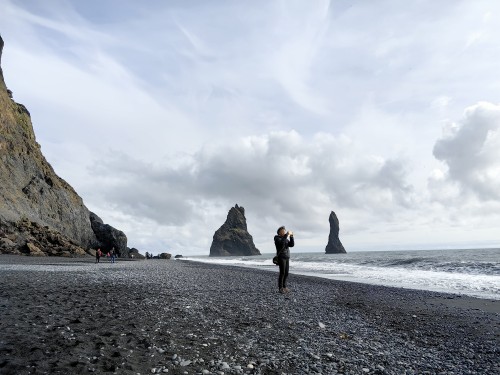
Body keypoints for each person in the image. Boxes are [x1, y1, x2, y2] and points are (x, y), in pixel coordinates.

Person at [274, 226, 294, 294]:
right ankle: (280, 288)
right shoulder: (277, 238)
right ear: (279, 232)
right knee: (282, 273)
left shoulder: (285, 238)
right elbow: (281, 244)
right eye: (282, 231)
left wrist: (291, 236)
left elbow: (291, 245)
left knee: (286, 273)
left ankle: (284, 287)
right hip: (281, 257)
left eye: (284, 231)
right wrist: (286, 235)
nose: (284, 232)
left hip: (287, 257)